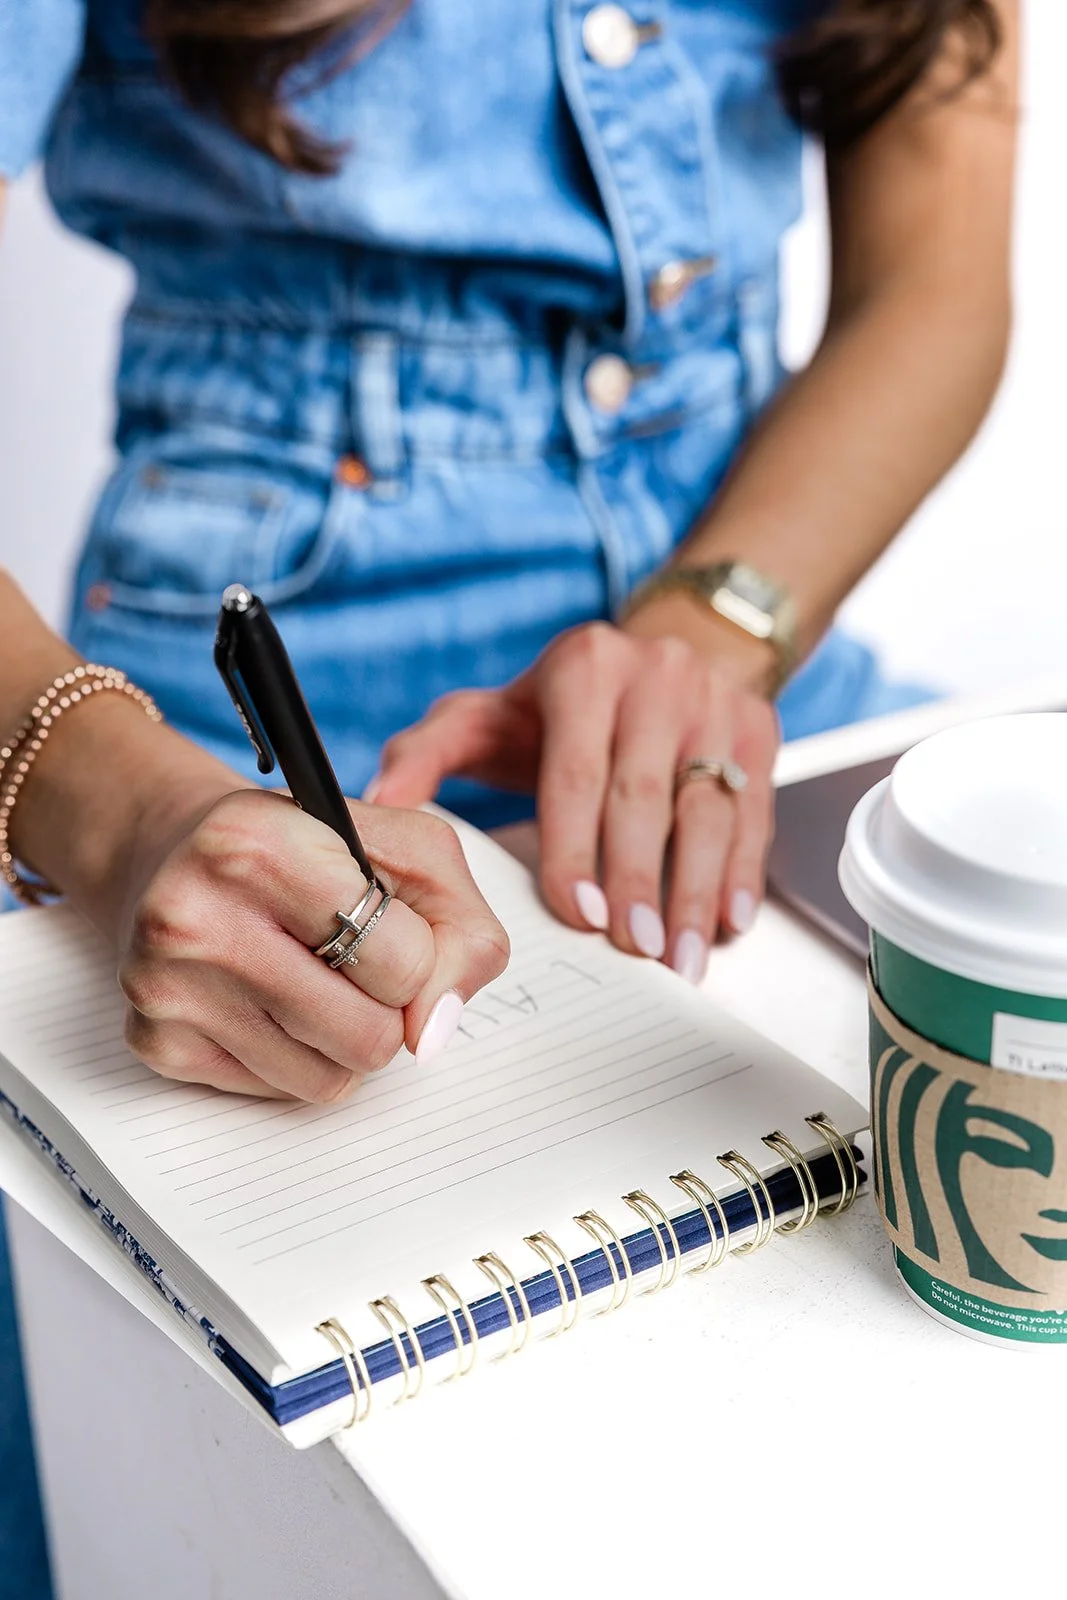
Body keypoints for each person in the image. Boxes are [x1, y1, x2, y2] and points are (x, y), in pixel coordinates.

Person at [0, 1, 1018, 1595]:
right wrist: (125, 818)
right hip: (208, 762)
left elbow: (938, 273)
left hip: (753, 661)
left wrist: (709, 632)